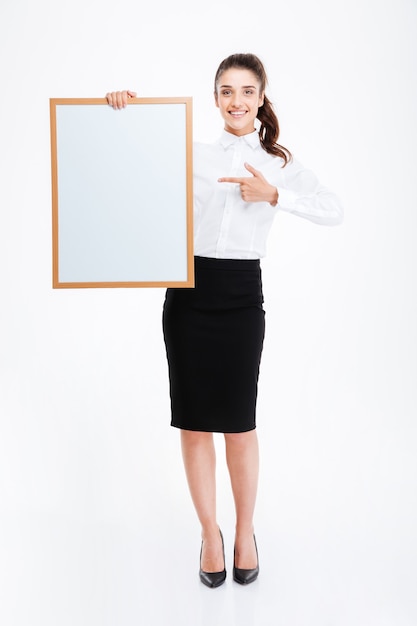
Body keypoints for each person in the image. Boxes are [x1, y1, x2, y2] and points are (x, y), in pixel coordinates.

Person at [106, 52, 343, 588]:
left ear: (261, 99)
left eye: (247, 92)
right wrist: (123, 111)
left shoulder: (277, 160)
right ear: (215, 99)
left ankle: (243, 532)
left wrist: (275, 195)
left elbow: (334, 208)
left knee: (239, 425)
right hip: (188, 295)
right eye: (226, 91)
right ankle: (210, 534)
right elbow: (128, 161)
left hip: (240, 298)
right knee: (192, 423)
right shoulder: (189, 153)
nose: (237, 101)